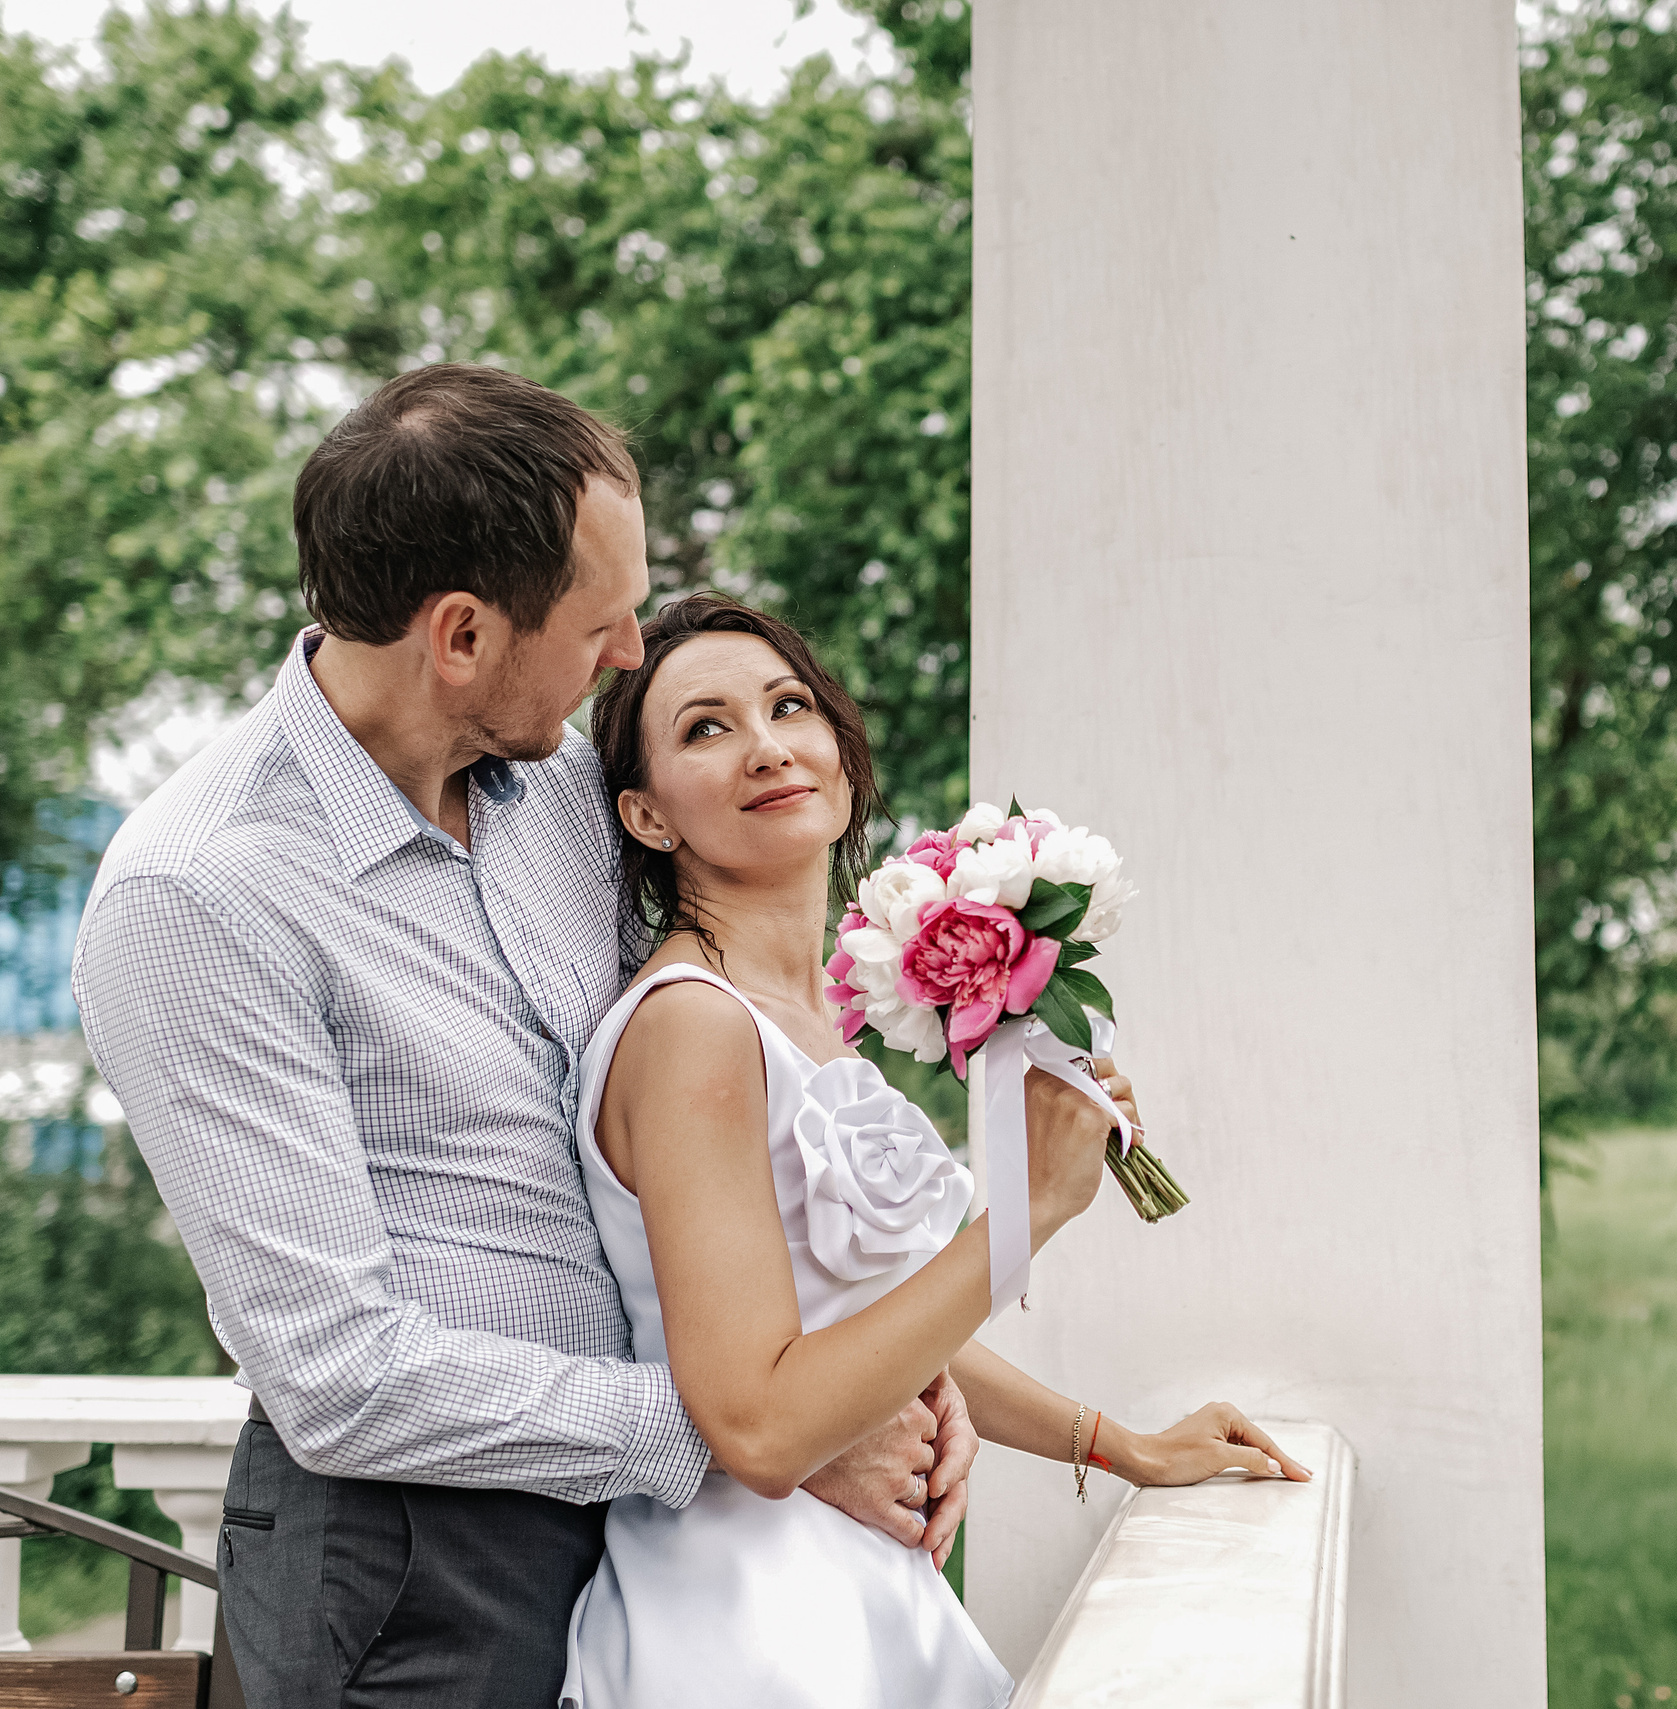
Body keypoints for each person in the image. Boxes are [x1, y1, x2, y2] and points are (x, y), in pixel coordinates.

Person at [71, 365, 964, 1709]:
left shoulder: (556, 789)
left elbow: (703, 1126)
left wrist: (860, 1374)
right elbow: (339, 1375)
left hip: (654, 1544)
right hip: (413, 1569)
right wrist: (742, 1432)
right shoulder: (198, 895)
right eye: (602, 623)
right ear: (462, 636)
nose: (625, 656)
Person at [558, 594, 1309, 1709]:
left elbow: (867, 1328)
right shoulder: (692, 1026)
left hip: (858, 1587)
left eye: (789, 705)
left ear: (843, 757)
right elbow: (761, 1426)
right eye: (704, 728)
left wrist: (1116, 1444)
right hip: (749, 1625)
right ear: (647, 815)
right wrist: (1028, 1214)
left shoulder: (803, 1014)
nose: (767, 744)